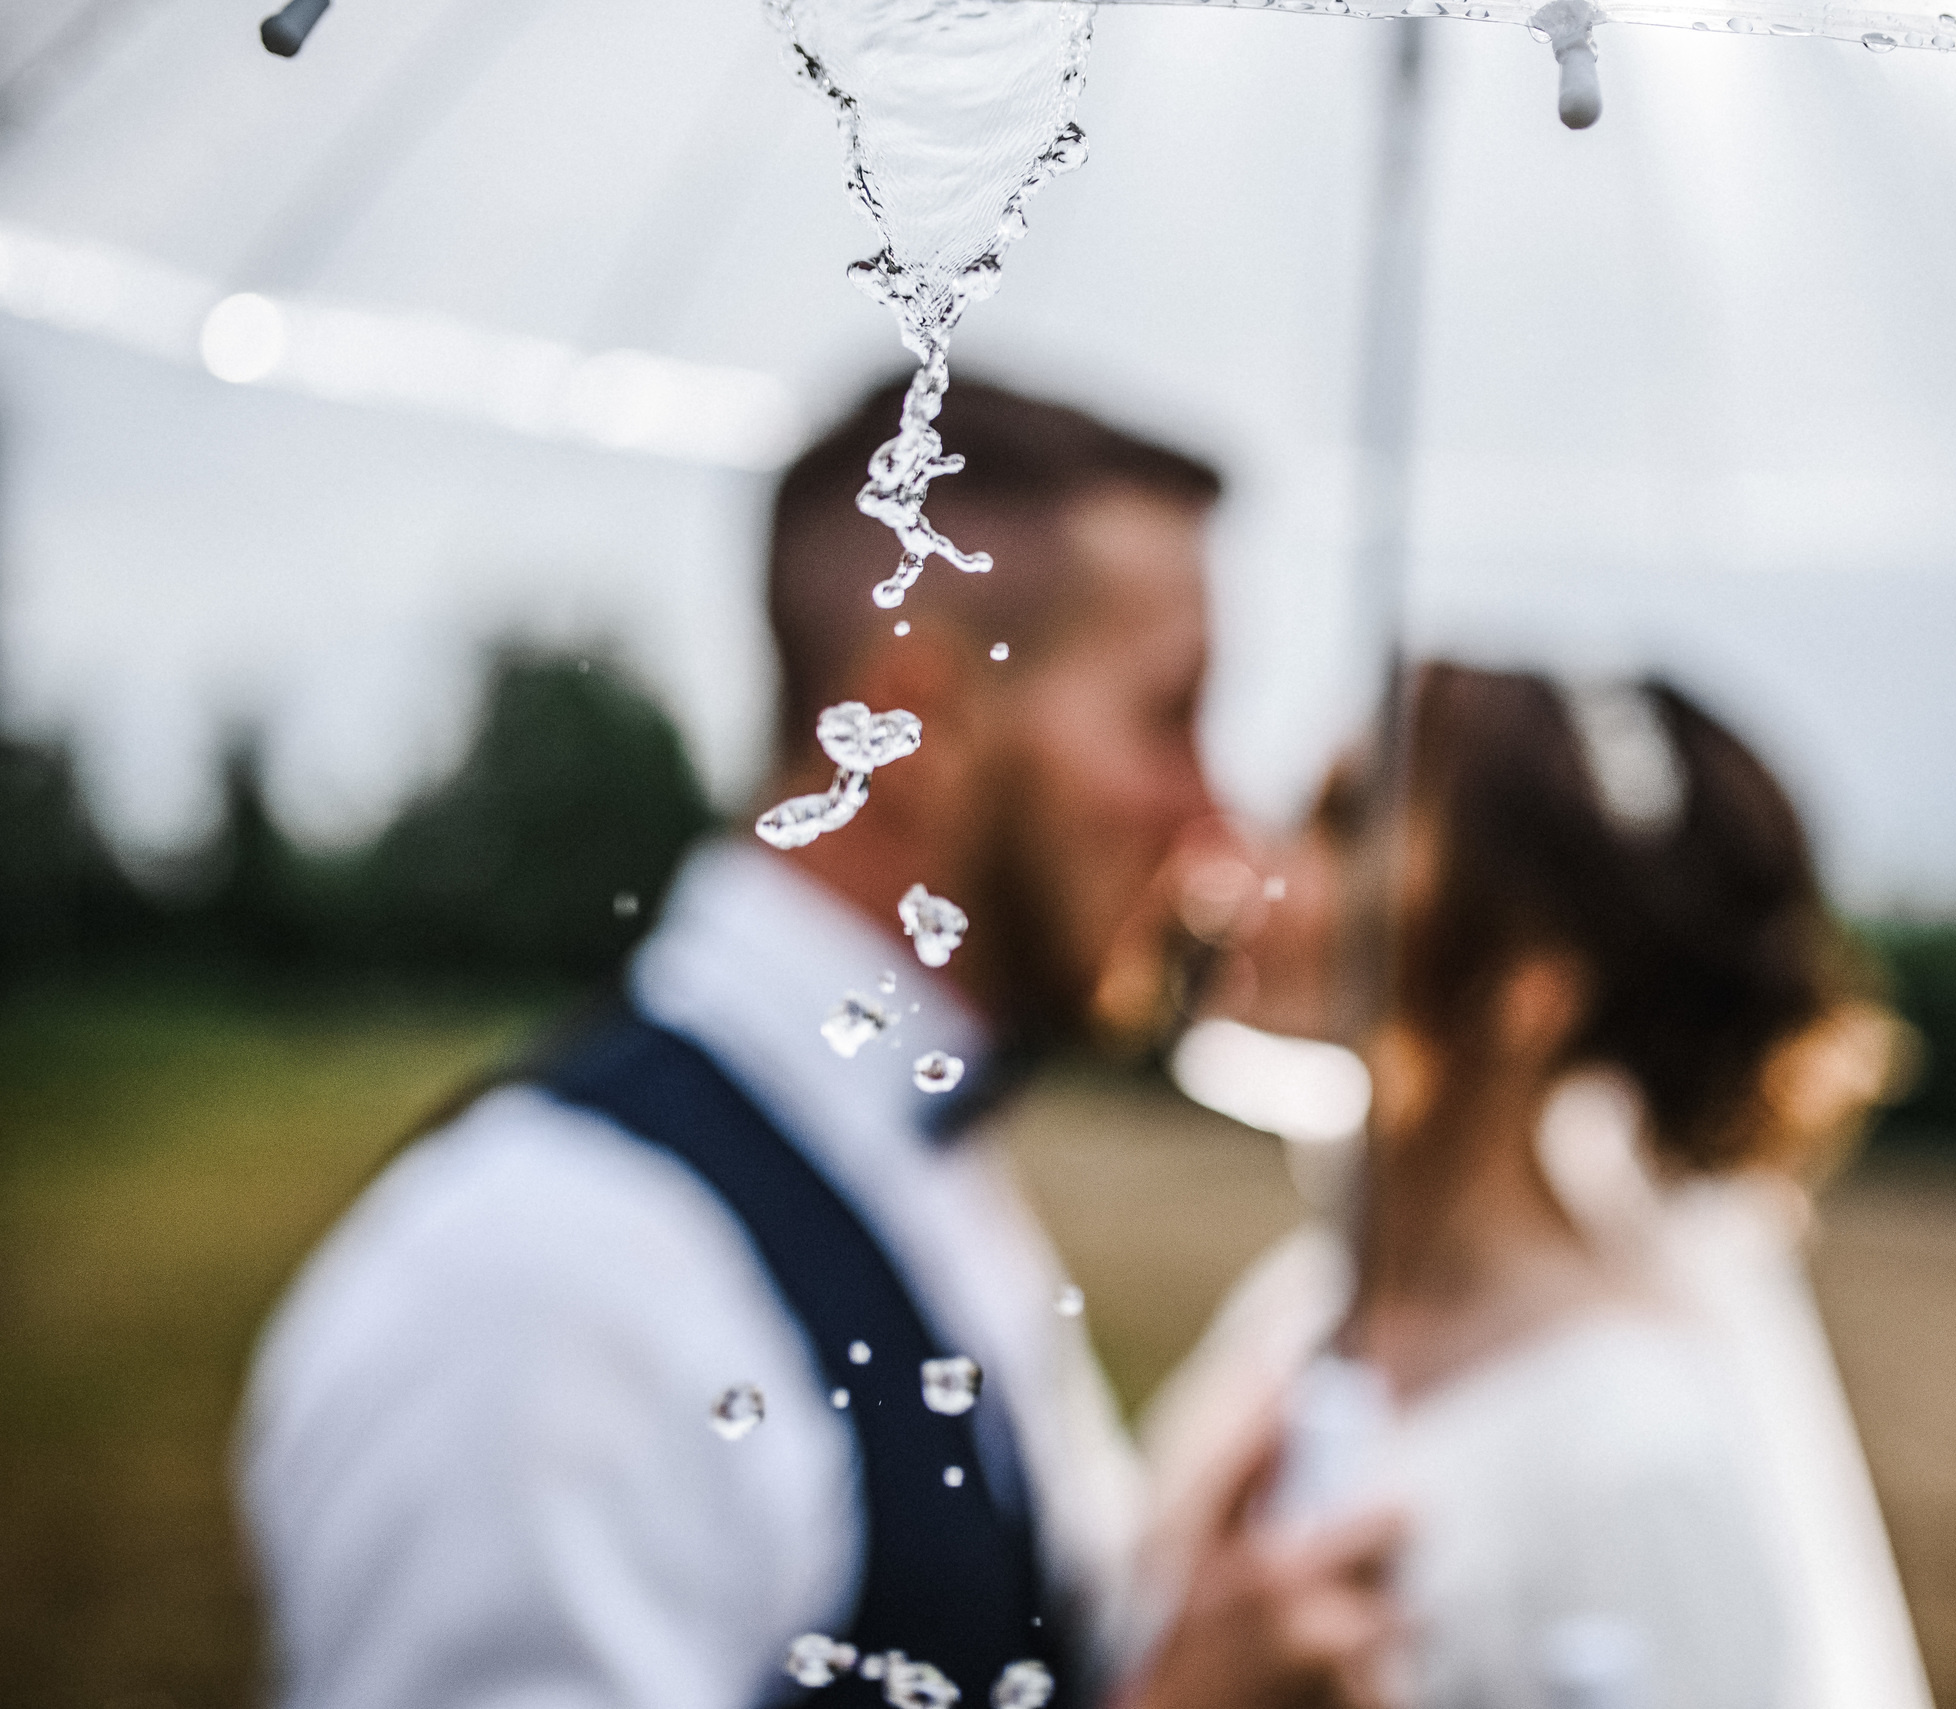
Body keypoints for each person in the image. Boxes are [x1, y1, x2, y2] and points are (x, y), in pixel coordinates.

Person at [238, 378, 1402, 1709]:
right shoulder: (548, 1280)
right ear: (914, 723)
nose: (1215, 824)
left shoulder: (919, 1155)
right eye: (1168, 713)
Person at [1141, 663, 1933, 1709]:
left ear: (1530, 982)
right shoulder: (1297, 1306)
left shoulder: (1638, 1464)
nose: (1246, 866)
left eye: (1343, 825)